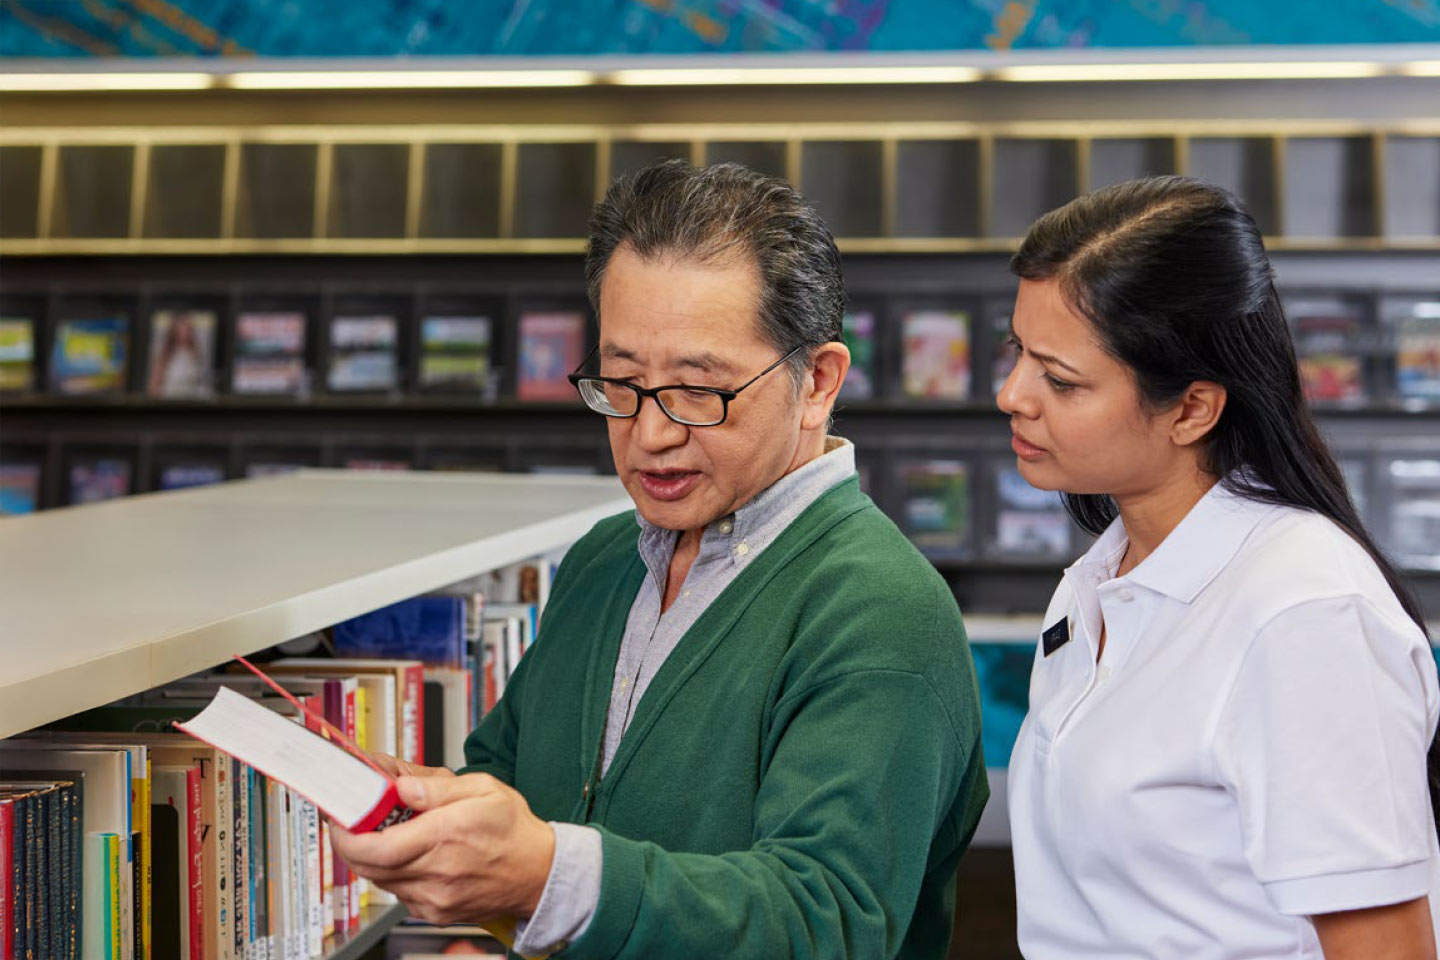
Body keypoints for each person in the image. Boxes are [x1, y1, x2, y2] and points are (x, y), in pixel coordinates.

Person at [331, 159, 989, 959]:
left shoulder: (882, 613)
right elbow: (507, 774)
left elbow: (829, 924)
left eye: (694, 391)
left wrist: (545, 879)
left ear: (817, 382)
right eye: (620, 381)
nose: (650, 435)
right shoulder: (606, 557)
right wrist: (437, 827)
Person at [999, 175, 1440, 959]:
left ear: (1194, 408)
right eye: (1018, 354)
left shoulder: (1302, 613)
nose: (1012, 396)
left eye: (1059, 379)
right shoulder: (1097, 583)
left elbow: (1384, 946)